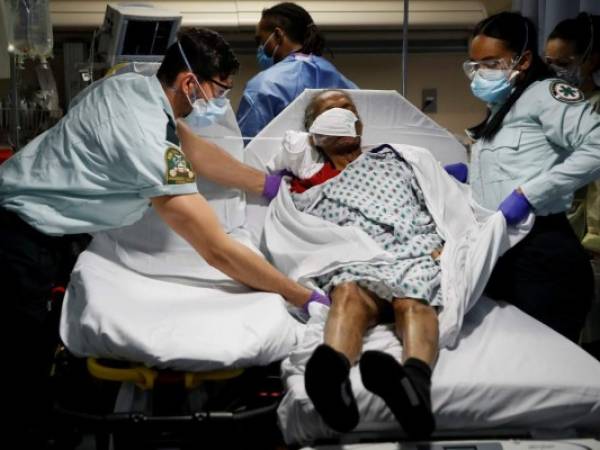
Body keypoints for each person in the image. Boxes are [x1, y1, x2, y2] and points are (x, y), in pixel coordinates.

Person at [0, 28, 328, 445]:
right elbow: (216, 250)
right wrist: (298, 294)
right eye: (219, 91)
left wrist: (266, 184)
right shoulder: (146, 143)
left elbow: (194, 149)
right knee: (18, 372)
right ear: (190, 83)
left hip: (37, 225)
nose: (219, 102)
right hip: (20, 237)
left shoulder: (131, 88)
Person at [278, 90, 439, 438]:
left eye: (347, 109)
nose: (340, 114)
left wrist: (447, 242)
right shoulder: (304, 184)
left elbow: (441, 201)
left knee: (412, 299)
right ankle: (332, 378)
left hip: (411, 249)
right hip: (353, 259)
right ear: (314, 134)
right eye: (329, 112)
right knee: (348, 293)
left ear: (360, 125)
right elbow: (292, 230)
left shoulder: (396, 160)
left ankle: (413, 387)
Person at [462, 12, 600, 341]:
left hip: (543, 254)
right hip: (500, 251)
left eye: (491, 63)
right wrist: (466, 177)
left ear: (522, 60)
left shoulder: (546, 94)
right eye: (475, 65)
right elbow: (510, 169)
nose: (480, 73)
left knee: (547, 369)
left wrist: (530, 194)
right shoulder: (502, 107)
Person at [236, 2, 357, 141]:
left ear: (278, 35)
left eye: (260, 41)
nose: (260, 48)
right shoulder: (346, 85)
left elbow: (247, 147)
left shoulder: (263, 86)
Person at [545, 13, 600, 255]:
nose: (556, 71)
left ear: (591, 60)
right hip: (553, 225)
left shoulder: (595, 107)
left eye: (564, 64)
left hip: (585, 235)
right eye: (550, 63)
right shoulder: (551, 106)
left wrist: (596, 236)